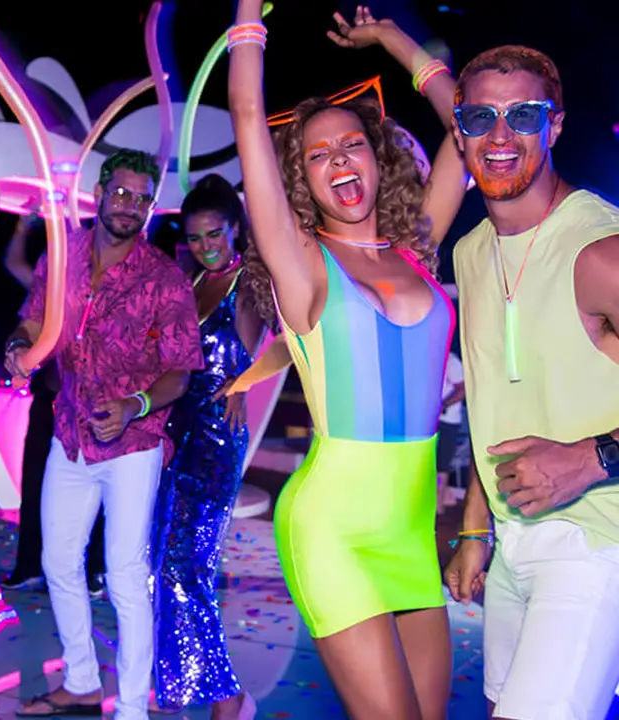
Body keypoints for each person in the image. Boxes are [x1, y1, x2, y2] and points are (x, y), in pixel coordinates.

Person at [226, 3, 469, 717]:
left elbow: (470, 128)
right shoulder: (303, 265)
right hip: (332, 528)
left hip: (410, 530)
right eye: (317, 154)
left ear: (377, 154)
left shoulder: (415, 247)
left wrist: (393, 38)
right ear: (300, 177)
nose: (338, 159)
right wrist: (247, 10)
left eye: (351, 145)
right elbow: (245, 111)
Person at [440, 44, 619, 720]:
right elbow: (493, 398)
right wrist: (475, 531)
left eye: (524, 115)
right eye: (481, 116)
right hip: (512, 549)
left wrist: (590, 457)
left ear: (557, 125)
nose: (501, 135)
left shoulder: (600, 250)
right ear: (460, 132)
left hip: (598, 543)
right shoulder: (471, 252)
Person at [7, 149, 203, 720]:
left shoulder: (164, 278)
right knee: (58, 561)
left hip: (133, 444)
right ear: (100, 190)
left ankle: (133, 708)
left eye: (142, 199)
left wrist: (134, 404)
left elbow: (181, 369)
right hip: (69, 434)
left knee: (123, 574)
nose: (131, 207)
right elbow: (33, 316)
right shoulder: (62, 254)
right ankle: (82, 682)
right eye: (121, 193)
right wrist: (19, 346)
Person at [150, 174, 265, 718]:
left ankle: (229, 698)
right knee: (160, 564)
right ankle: (190, 685)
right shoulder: (191, 282)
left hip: (218, 437)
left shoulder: (253, 281)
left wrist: (246, 379)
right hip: (177, 434)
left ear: (236, 228)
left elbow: (302, 331)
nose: (205, 246)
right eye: (195, 238)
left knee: (185, 567)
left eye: (215, 234)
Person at [1, 200, 106, 597]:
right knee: (36, 485)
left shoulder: (112, 288)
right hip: (50, 401)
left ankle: (93, 570)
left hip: (94, 408)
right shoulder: (52, 288)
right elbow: (14, 265)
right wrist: (24, 225)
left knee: (96, 488)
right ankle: (29, 564)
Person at [436, 350, 465, 511]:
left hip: (447, 421)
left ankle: (439, 508)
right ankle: (444, 498)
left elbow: (462, 389)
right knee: (432, 465)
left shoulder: (451, 360)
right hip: (431, 420)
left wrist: (442, 405)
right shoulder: (430, 358)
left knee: (441, 465)